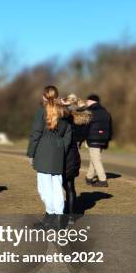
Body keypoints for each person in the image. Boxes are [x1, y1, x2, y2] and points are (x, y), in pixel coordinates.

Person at [27, 86, 72, 229]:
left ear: (44, 97)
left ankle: (50, 217)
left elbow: (36, 134)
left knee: (44, 188)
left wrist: (31, 153)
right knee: (57, 187)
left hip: (43, 152)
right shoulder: (65, 112)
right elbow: (68, 134)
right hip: (58, 153)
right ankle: (59, 219)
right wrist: (62, 147)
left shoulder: (41, 111)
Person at [59, 95, 91, 223]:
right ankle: (72, 216)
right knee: (70, 187)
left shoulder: (67, 121)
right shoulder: (84, 122)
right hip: (74, 155)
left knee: (58, 187)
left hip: (62, 155)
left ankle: (60, 212)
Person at [84, 94, 112, 187]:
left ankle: (102, 180)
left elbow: (85, 126)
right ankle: (89, 177)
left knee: (96, 159)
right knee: (94, 158)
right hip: (103, 138)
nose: (86, 103)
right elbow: (110, 127)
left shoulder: (89, 111)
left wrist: (82, 137)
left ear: (91, 101)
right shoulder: (105, 112)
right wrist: (108, 139)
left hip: (93, 138)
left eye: (87, 101)